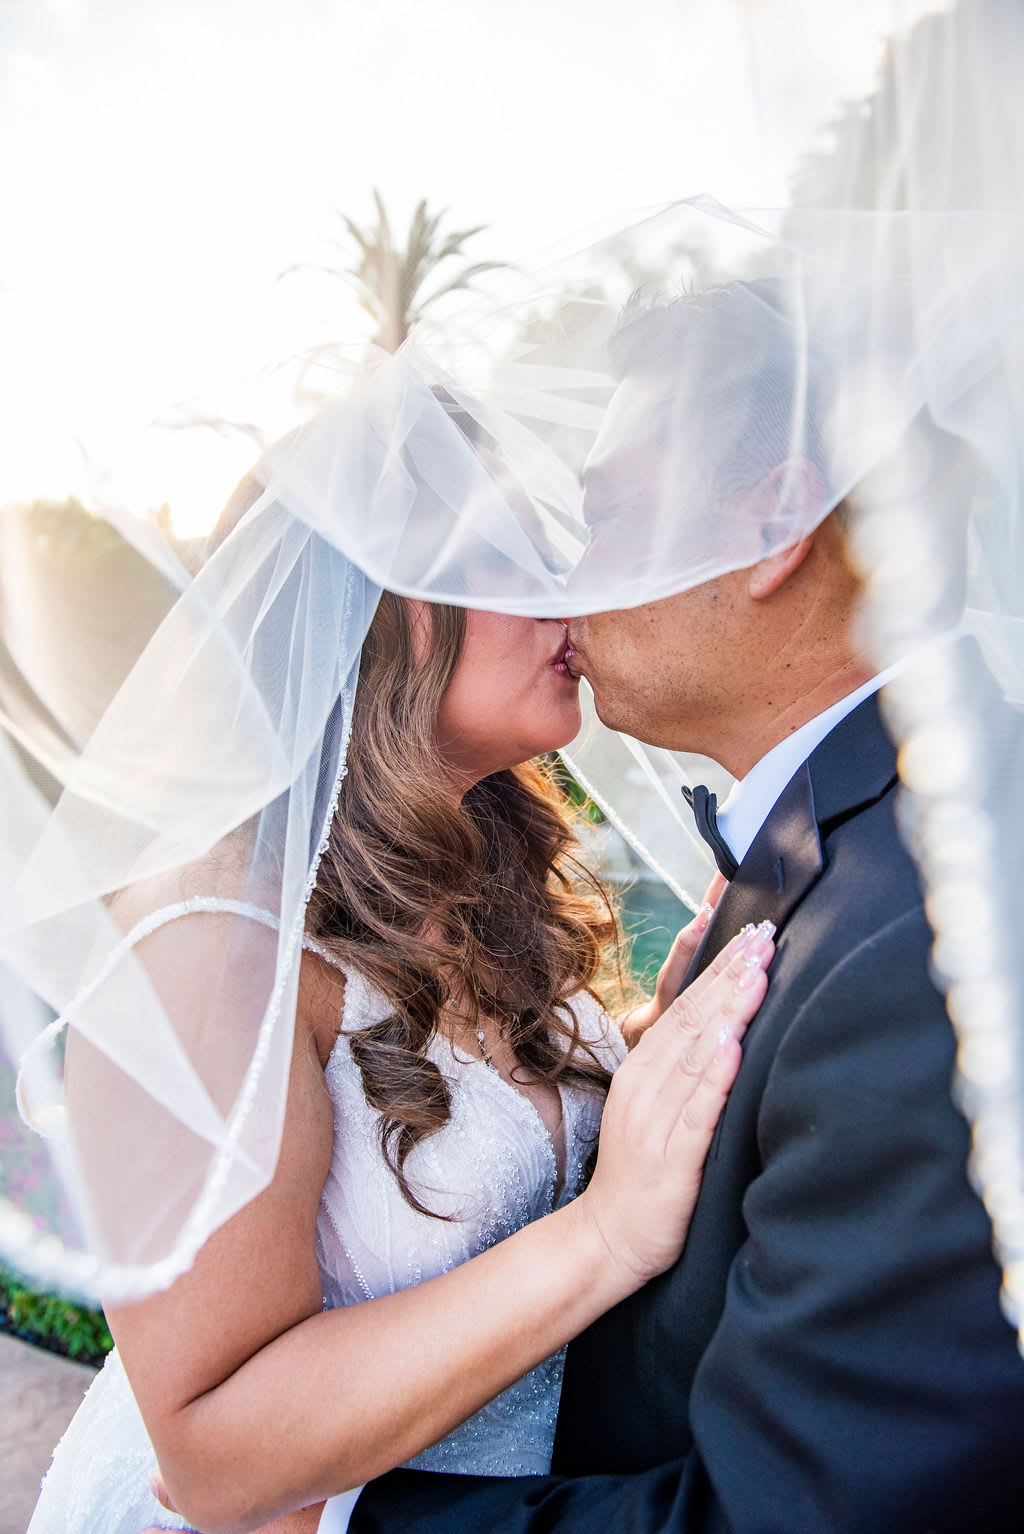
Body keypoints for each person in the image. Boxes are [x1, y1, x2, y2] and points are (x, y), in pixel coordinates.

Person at [335, 285, 1024, 1532]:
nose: (569, 581)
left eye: (603, 519)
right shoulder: (860, 854)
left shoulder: (911, 934)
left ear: (772, 527)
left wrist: (348, 1519)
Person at [27, 477, 775, 1534]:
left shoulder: (482, 863)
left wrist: (660, 1040)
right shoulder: (211, 941)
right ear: (394, 610)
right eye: (519, 562)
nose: (572, 592)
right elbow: (212, 1455)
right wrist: (606, 1235)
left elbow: (495, 1132)